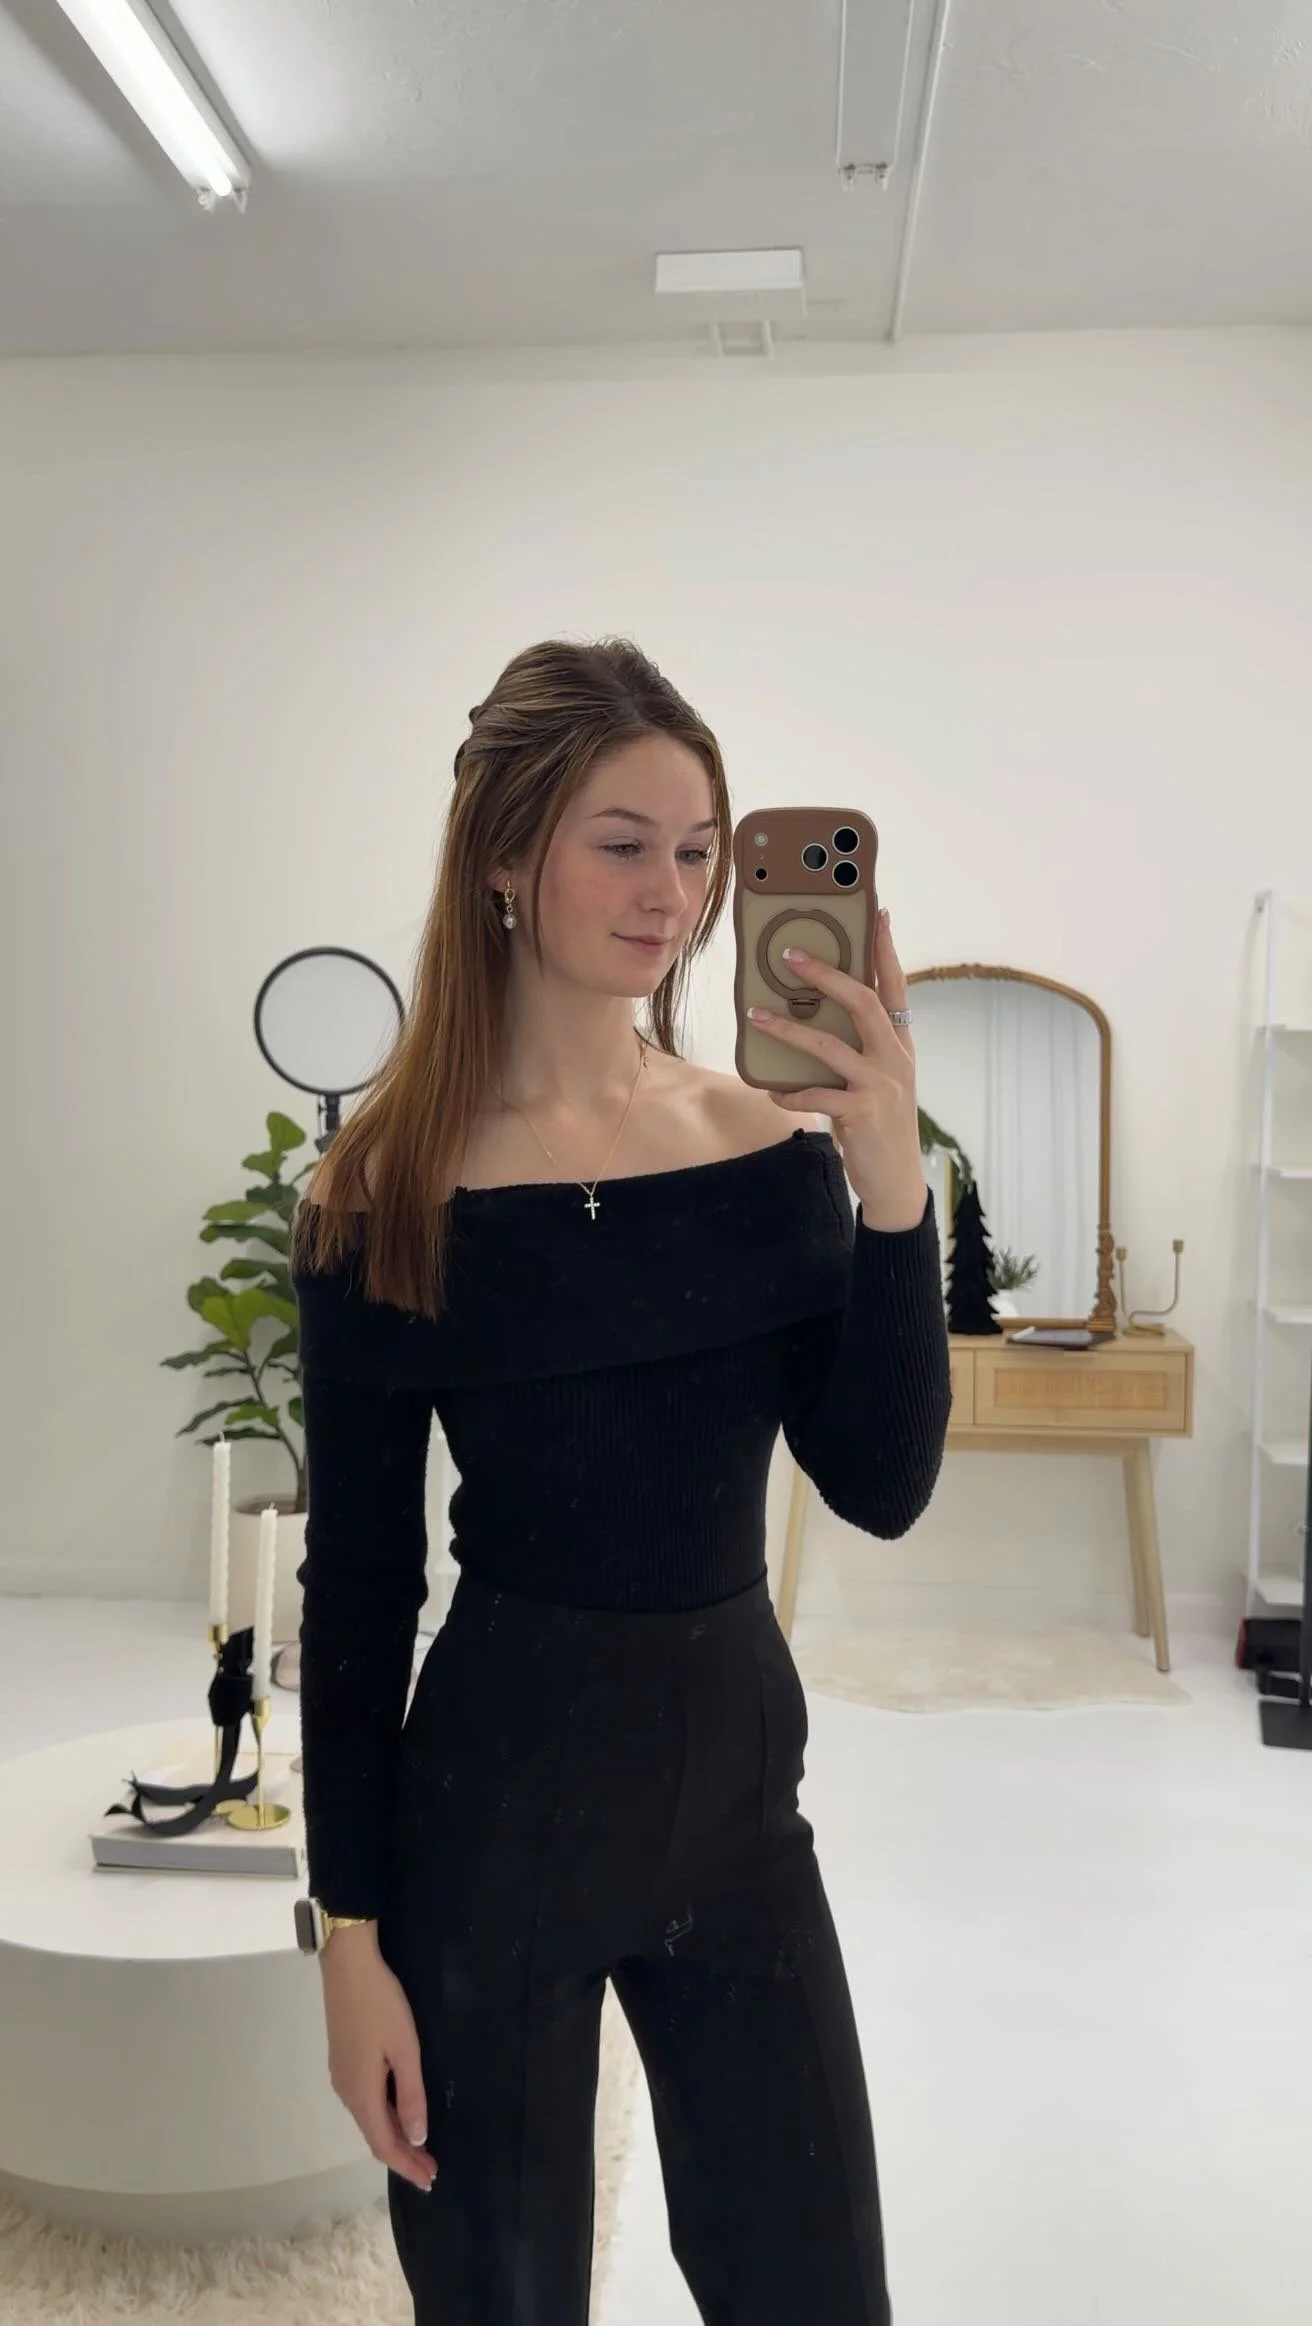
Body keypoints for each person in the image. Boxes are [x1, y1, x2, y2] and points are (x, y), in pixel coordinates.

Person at [290, 636, 952, 2326]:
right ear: (505, 855)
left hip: (738, 1808)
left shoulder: (766, 1157)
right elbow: (355, 1590)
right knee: (499, 2300)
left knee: (819, 2291)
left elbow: (880, 1482)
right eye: (625, 842)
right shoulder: (382, 1195)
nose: (675, 894)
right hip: (488, 1819)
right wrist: (349, 1936)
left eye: (701, 850)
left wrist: (891, 1195)